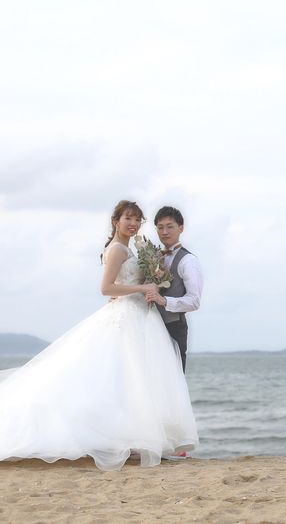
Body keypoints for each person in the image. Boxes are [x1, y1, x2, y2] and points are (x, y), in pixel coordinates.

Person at [0, 200, 198, 471]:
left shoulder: (129, 248)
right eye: (128, 218)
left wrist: (144, 285)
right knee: (126, 379)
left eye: (137, 220)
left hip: (139, 316)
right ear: (116, 221)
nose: (133, 224)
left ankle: (133, 439)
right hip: (127, 318)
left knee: (134, 381)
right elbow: (106, 287)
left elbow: (120, 285)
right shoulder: (117, 249)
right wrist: (142, 287)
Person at [144, 206, 203, 374]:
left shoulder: (188, 261)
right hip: (150, 327)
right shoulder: (154, 257)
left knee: (173, 381)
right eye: (160, 227)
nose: (164, 232)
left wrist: (164, 301)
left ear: (181, 228)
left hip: (173, 328)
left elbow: (194, 301)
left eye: (170, 226)